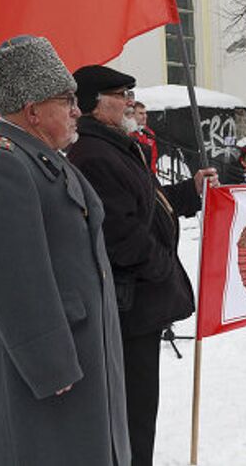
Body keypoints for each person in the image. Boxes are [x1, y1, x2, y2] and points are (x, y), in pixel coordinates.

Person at [0, 35, 130, 465]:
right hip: (48, 376)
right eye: (65, 100)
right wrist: (51, 365)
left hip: (80, 357)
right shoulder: (0, 165)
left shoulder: (43, 157)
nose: (77, 110)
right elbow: (16, 282)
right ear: (33, 110)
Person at [67, 65, 218, 466]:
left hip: (139, 304)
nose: (130, 102)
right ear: (95, 106)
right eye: (120, 94)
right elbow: (122, 237)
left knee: (140, 412)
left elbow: (148, 202)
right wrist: (162, 266)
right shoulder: (93, 154)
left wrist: (191, 190)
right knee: (133, 416)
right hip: (128, 308)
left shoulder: (116, 145)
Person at [131, 101, 158, 174]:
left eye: (145, 113)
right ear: (132, 115)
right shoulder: (128, 133)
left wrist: (153, 175)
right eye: (141, 113)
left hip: (149, 175)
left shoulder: (149, 133)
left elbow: (154, 157)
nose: (145, 116)